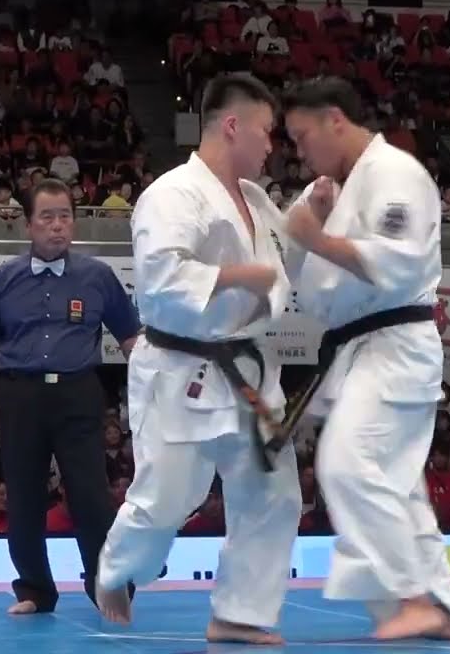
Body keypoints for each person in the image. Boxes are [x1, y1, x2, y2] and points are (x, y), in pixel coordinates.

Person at [94, 73, 301, 645]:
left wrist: (316, 206)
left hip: (249, 371)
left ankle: (240, 613)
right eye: (266, 131)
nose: (272, 145)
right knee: (167, 500)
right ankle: (117, 567)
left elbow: (287, 257)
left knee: (273, 493)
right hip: (182, 368)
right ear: (232, 126)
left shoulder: (257, 200)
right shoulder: (171, 195)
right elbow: (161, 281)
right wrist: (237, 276)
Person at [280, 75, 450, 641]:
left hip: (393, 344)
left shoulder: (394, 173)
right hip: (358, 347)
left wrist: (316, 237)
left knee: (347, 462)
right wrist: (315, 225)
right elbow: (300, 267)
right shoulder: (338, 188)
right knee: (396, 486)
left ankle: (411, 597)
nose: (299, 151)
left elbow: (396, 262)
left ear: (335, 120)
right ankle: (446, 609)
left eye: (302, 136)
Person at [0, 177, 140, 615]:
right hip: (19, 395)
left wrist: (154, 389)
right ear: (28, 224)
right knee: (23, 496)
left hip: (78, 392)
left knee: (91, 496)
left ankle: (108, 588)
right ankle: (34, 591)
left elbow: (130, 338)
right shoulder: (0, 280)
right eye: (47, 217)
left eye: (65, 216)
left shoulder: (98, 276)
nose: (58, 225)